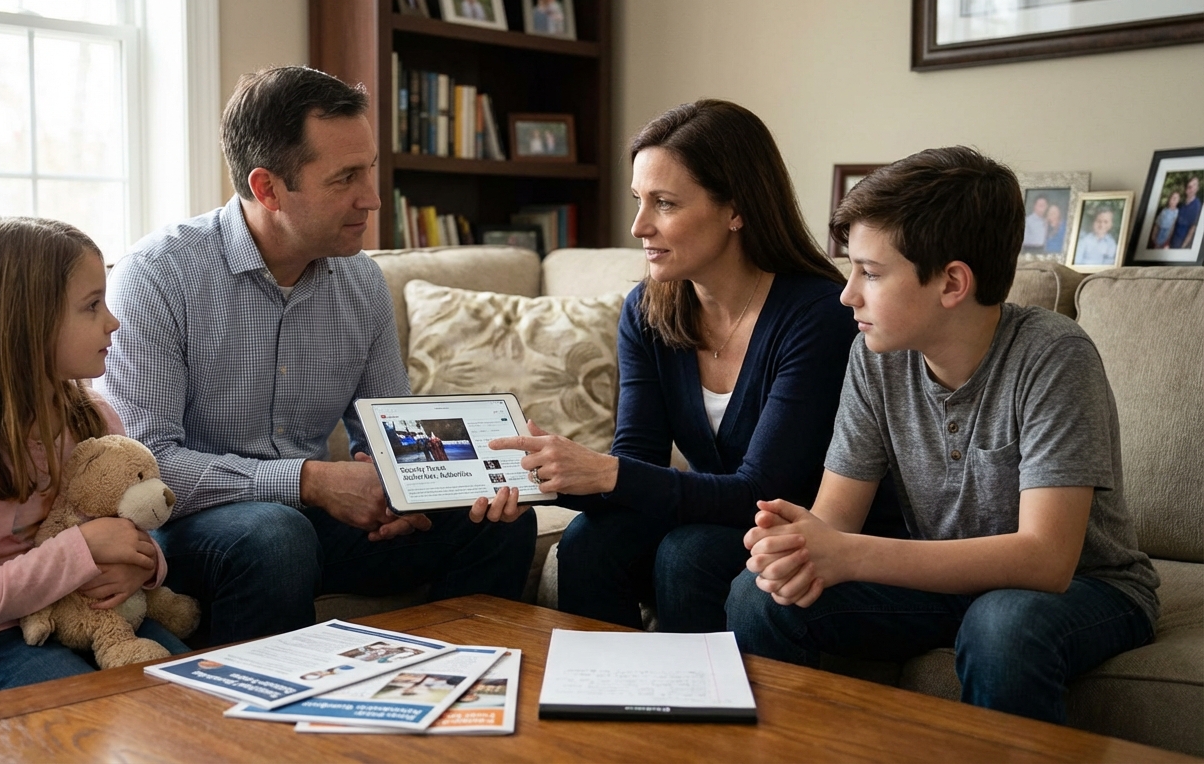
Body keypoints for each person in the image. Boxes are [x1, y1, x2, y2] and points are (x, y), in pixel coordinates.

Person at [97, 66, 536, 647]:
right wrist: (308, 481)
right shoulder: (157, 277)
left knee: (499, 521)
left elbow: (389, 428)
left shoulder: (362, 283)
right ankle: (267, 731)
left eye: (371, 168)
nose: (373, 198)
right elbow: (147, 465)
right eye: (346, 177)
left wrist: (417, 485)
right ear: (267, 188)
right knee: (275, 534)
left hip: (313, 526)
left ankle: (450, 692)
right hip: (192, 526)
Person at [727, 146, 1158, 724]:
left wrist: (848, 555)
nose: (846, 294)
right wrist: (796, 546)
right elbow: (835, 520)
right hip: (943, 586)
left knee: (1003, 624)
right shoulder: (873, 358)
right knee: (759, 596)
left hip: (1088, 587)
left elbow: (1046, 560)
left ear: (952, 282)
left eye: (871, 273)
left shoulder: (1054, 356)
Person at [490, 99, 900, 632]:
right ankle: (594, 702)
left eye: (664, 204)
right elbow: (638, 458)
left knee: (690, 552)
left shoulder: (820, 315)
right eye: (638, 200)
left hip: (793, 528)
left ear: (735, 209)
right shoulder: (648, 308)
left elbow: (764, 487)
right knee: (589, 540)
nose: (639, 226)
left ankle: (700, 708)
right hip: (717, 514)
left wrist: (604, 472)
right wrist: (544, 478)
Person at [0, 217, 189, 697]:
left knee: (193, 692)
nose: (113, 321)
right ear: (24, 323)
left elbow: (136, 531)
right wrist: (83, 550)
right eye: (91, 306)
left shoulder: (94, 417)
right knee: (95, 715)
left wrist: (142, 569)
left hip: (90, 614)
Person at [1167, 176, 1200, 249]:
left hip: (1180, 245)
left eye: (1194, 184)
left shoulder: (1197, 205)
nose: (1191, 187)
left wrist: (1183, 247)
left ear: (1197, 189)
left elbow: (1192, 228)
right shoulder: (1181, 204)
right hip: (1171, 241)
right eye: (1189, 185)